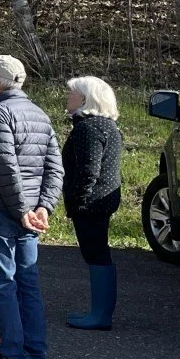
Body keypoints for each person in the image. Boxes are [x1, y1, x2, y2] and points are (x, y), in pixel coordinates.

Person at [0, 55, 63, 359]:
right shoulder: (39, 113)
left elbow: (5, 167)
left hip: (3, 211)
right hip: (26, 212)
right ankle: (36, 356)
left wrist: (24, 210)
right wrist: (43, 207)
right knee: (28, 285)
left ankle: (12, 358)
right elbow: (54, 168)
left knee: (3, 286)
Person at [62, 76, 122, 330]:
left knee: (96, 255)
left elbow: (89, 170)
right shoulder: (105, 125)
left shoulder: (89, 127)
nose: (68, 97)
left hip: (92, 203)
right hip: (100, 200)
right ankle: (100, 312)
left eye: (72, 93)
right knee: (97, 254)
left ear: (86, 99)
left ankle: (100, 315)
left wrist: (77, 201)